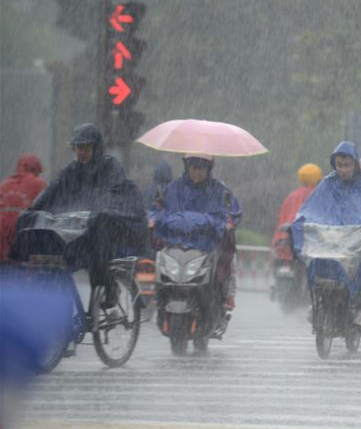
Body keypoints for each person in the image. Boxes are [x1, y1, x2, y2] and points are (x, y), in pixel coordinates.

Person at [13, 124, 147, 302]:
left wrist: (100, 211)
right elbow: (51, 190)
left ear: (96, 147)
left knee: (97, 246)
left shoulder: (110, 166)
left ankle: (107, 288)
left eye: (86, 147)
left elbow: (113, 192)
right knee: (55, 249)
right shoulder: (71, 170)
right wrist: (31, 211)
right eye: (78, 147)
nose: (81, 152)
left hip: (112, 221)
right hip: (81, 223)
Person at [291, 141, 361, 330]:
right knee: (315, 261)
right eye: (339, 165)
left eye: (347, 165)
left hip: (357, 242)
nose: (343, 170)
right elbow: (311, 210)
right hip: (330, 241)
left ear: (355, 164)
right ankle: (316, 302)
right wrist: (301, 224)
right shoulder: (328, 184)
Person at [150, 153, 242, 309]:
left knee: (228, 259)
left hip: (207, 246)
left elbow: (232, 213)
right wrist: (153, 219)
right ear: (187, 167)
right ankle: (157, 295)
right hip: (175, 244)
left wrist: (227, 223)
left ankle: (228, 293)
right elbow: (157, 210)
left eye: (202, 169)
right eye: (194, 168)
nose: (197, 173)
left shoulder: (220, 190)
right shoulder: (173, 188)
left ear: (208, 169)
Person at [0, 154, 47, 260]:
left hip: (2, 234)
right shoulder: (39, 184)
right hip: (24, 234)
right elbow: (49, 210)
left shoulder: (5, 184)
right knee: (23, 265)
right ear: (35, 169)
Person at [271, 163, 322, 256]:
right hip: (312, 246)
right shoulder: (320, 196)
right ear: (318, 178)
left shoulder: (292, 196)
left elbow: (282, 218)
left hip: (287, 243)